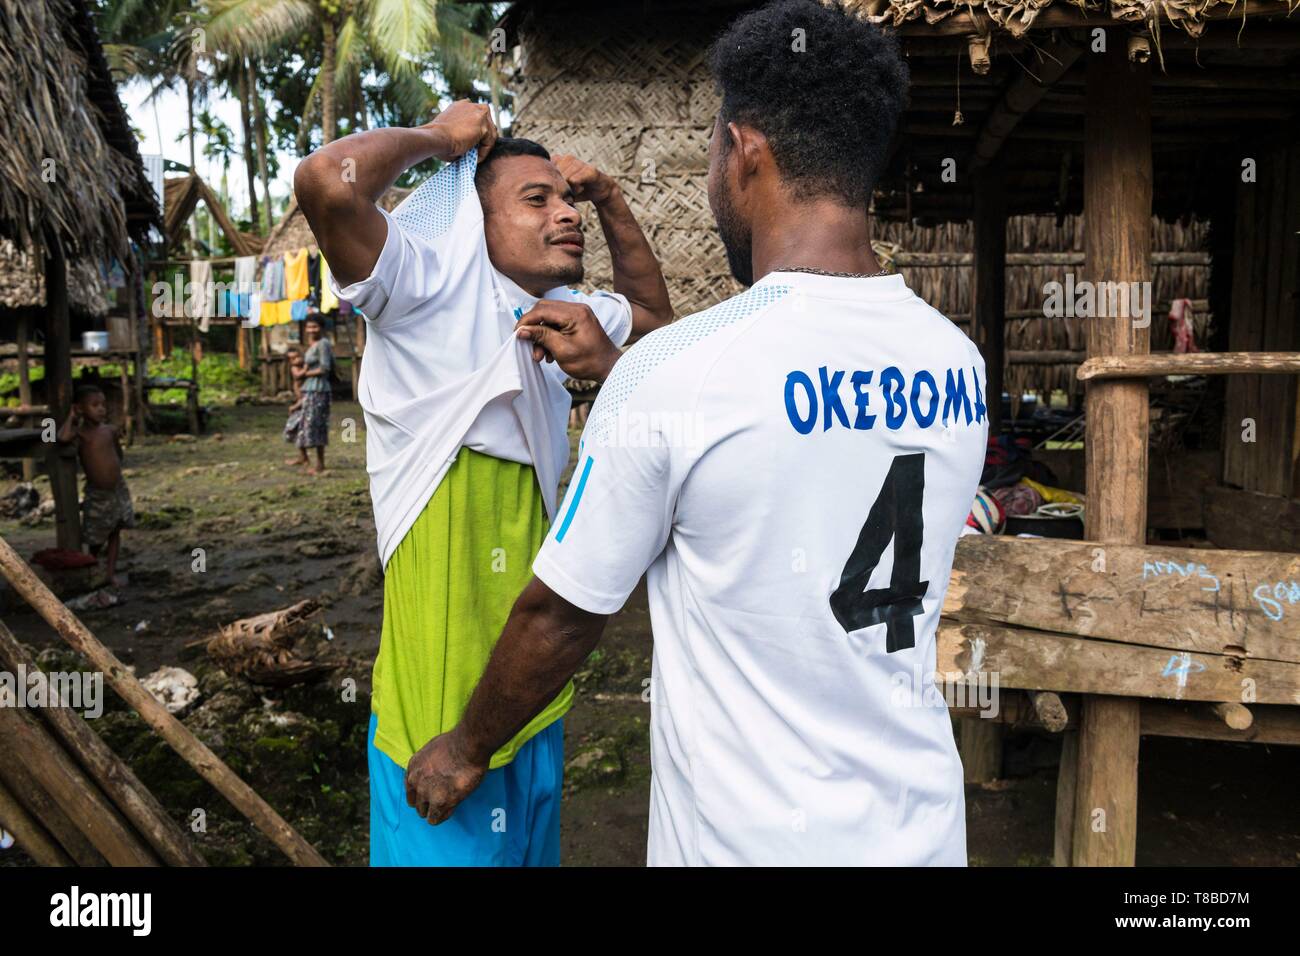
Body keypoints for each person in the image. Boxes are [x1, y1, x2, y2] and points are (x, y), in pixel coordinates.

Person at [405, 0, 990, 866]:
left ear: (744, 149)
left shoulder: (679, 370)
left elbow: (562, 617)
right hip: (921, 831)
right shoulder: (957, 364)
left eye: (715, 146)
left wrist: (464, 749)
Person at [294, 99, 672, 865]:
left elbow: (658, 326)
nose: (565, 214)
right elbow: (326, 183)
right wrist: (441, 139)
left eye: (568, 200)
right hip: (441, 722)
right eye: (538, 200)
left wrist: (613, 200)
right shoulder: (419, 287)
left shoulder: (563, 315)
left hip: (525, 700)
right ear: (473, 220)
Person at [58, 384, 135, 587]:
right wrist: (72, 416)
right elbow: (61, 437)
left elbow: (118, 455)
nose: (101, 409)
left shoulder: (109, 431)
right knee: (95, 536)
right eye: (94, 405)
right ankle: (93, 568)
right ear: (80, 408)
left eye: (103, 405)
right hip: (98, 493)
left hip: (117, 489)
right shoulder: (81, 434)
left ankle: (109, 574)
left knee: (115, 530)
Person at [289, 317, 333, 475]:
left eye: (314, 327)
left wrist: (304, 373)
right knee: (300, 422)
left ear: (321, 328)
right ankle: (303, 457)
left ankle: (320, 464)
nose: (311, 330)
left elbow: (325, 368)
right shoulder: (312, 345)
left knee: (317, 426)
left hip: (319, 390)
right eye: (309, 327)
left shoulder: (323, 344)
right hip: (309, 390)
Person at [282, 346, 306, 459]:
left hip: (303, 401)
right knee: (295, 428)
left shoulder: (303, 367)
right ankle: (302, 456)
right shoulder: (296, 369)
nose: (294, 361)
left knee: (300, 429)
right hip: (300, 401)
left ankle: (303, 456)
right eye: (291, 359)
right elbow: (298, 375)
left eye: (296, 358)